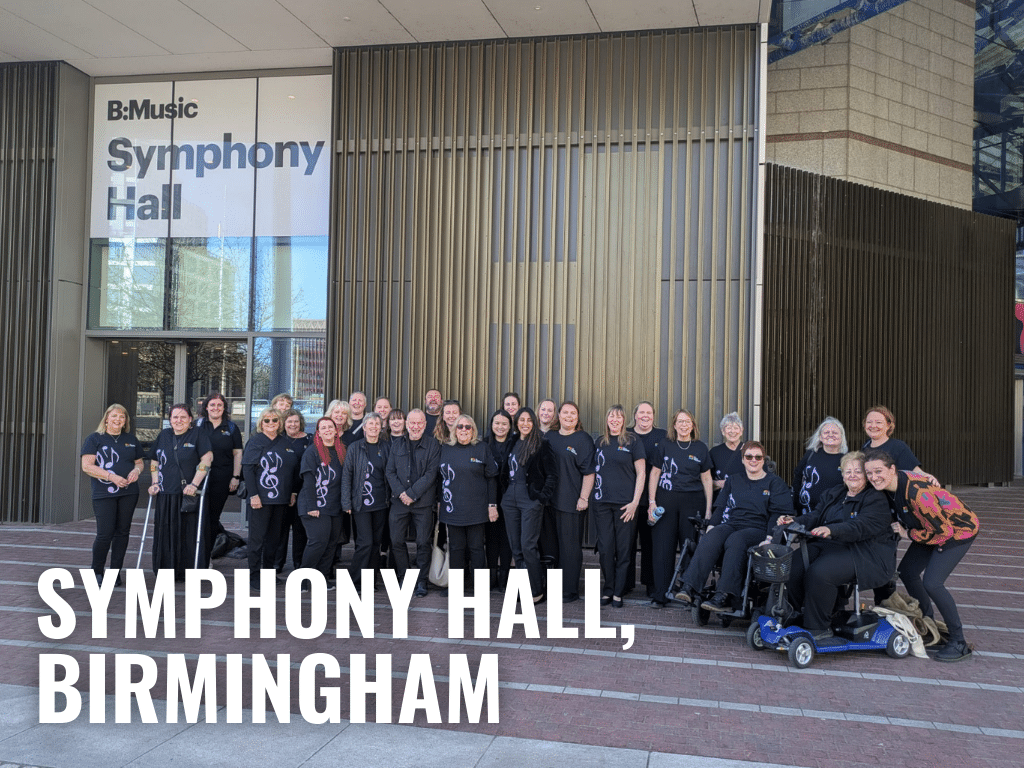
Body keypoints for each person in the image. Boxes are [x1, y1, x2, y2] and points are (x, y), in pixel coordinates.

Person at [864, 449, 980, 662]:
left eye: (878, 471)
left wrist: (908, 533)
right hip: (929, 528)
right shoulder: (888, 486)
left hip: (957, 530)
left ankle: (958, 641)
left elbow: (943, 532)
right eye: (869, 473)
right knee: (908, 572)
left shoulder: (916, 494)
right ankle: (929, 624)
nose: (873, 477)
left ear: (892, 469)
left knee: (933, 583)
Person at [776, 451, 897, 639]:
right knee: (794, 565)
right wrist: (793, 521)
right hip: (828, 544)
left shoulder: (875, 498)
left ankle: (818, 628)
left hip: (862, 551)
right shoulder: (835, 493)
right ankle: (796, 614)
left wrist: (832, 530)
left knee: (820, 573)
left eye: (858, 471)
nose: (853, 475)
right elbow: (815, 516)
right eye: (848, 471)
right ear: (842, 475)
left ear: (866, 474)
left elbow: (860, 526)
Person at [676, 440, 791, 612]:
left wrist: (769, 537)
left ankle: (724, 595)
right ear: (743, 459)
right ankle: (689, 587)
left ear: (763, 460)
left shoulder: (774, 483)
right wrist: (712, 526)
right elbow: (721, 506)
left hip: (758, 527)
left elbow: (777, 514)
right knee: (713, 536)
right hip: (733, 523)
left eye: (758, 457)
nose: (753, 460)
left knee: (736, 540)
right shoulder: (734, 480)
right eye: (749, 456)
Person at [646, 409, 712, 608]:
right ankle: (661, 595)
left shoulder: (701, 448)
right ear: (674, 425)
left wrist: (708, 509)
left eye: (687, 421)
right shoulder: (665, 445)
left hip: (693, 503)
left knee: (689, 547)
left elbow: (707, 479)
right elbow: (655, 474)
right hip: (665, 501)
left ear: (693, 425)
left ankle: (688, 592)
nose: (684, 425)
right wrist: (651, 501)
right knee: (662, 548)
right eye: (680, 421)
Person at [147, 404, 213, 580]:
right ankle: (165, 570)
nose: (179, 421)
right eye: (175, 417)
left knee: (188, 533)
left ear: (190, 419)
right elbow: (154, 461)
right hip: (165, 493)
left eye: (183, 417)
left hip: (187, 494)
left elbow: (206, 460)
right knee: (165, 532)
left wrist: (194, 484)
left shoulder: (198, 434)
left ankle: (187, 572)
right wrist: (154, 483)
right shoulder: (164, 435)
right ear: (170, 420)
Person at [81, 404, 145, 583]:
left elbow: (139, 462)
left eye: (122, 417)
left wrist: (136, 471)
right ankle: (96, 571)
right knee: (105, 533)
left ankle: (115, 572)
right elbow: (87, 466)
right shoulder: (94, 439)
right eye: (115, 416)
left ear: (126, 421)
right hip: (104, 493)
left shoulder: (131, 439)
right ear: (107, 418)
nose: (118, 419)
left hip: (129, 492)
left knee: (123, 532)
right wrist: (112, 477)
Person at [592, 405, 646, 608]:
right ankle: (608, 589)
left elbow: (641, 473)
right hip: (602, 504)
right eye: (611, 416)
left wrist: (635, 503)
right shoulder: (600, 442)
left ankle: (618, 592)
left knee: (623, 550)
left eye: (619, 417)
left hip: (626, 505)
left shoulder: (632, 441)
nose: (614, 420)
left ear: (624, 420)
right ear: (607, 420)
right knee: (606, 549)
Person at [242, 407, 301, 590]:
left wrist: (292, 492)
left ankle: (268, 573)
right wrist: (253, 495)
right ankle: (253, 575)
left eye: (275, 420)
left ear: (280, 423)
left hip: (281, 499)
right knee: (257, 539)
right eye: (267, 420)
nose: (271, 423)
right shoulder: (255, 441)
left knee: (274, 539)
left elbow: (293, 470)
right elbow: (248, 470)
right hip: (261, 499)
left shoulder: (285, 442)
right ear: (261, 423)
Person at [503, 407, 557, 603]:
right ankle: (522, 588)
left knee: (528, 545)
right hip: (510, 499)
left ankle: (537, 590)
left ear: (533, 423)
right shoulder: (513, 441)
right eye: (521, 420)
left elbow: (552, 475)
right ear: (516, 422)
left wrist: (541, 498)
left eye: (528, 420)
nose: (525, 423)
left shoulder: (542, 444)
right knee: (515, 547)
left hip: (530, 499)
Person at [386, 408, 442, 597]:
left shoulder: (433, 445)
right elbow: (390, 472)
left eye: (419, 423)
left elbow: (431, 474)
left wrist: (412, 493)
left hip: (423, 503)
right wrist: (402, 493)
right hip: (399, 502)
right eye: (412, 423)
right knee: (396, 541)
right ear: (406, 424)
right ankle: (404, 577)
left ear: (425, 425)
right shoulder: (396, 445)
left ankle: (421, 581)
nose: (415, 426)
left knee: (423, 542)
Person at [544, 401, 595, 602]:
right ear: (559, 415)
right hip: (549, 503)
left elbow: (589, 472)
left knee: (570, 549)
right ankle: (554, 588)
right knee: (553, 547)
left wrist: (584, 497)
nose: (568, 416)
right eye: (565, 412)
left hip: (572, 503)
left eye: (573, 413)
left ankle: (569, 591)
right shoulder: (550, 437)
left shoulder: (583, 439)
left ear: (577, 417)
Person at [439, 415, 499, 579]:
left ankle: (479, 586)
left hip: (477, 510)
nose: (464, 430)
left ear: (473, 430)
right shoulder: (445, 449)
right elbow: (439, 478)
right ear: (454, 430)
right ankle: (457, 587)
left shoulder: (482, 448)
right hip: (452, 509)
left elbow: (491, 478)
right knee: (456, 548)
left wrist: (492, 505)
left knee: (477, 548)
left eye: (468, 427)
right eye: (460, 426)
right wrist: (439, 503)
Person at [342, 412, 391, 588]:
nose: (373, 427)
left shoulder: (386, 447)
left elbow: (389, 474)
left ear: (381, 427)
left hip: (381, 503)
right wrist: (346, 501)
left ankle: (370, 581)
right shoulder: (355, 448)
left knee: (376, 543)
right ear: (364, 427)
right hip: (360, 503)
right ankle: (355, 581)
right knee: (365, 543)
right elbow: (347, 475)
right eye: (370, 424)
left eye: (377, 424)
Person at [195, 393, 243, 566]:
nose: (216, 408)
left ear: (224, 408)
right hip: (198, 478)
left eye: (219, 405)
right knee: (198, 517)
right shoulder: (197, 425)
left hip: (221, 479)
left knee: (212, 519)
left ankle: (206, 557)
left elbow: (237, 453)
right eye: (212, 405)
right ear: (206, 407)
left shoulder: (231, 427)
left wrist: (236, 477)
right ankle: (194, 555)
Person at [297, 417, 346, 584]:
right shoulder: (312, 452)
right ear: (318, 432)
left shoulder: (341, 451)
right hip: (315, 506)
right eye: (323, 427)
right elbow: (308, 480)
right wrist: (312, 505)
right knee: (318, 542)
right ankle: (303, 580)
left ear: (336, 430)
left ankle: (322, 578)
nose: (327, 430)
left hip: (334, 506)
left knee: (331, 543)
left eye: (330, 427)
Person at [627, 401, 666, 598]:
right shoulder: (625, 435)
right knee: (627, 543)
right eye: (641, 412)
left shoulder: (663, 436)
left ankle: (651, 584)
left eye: (649, 412)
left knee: (651, 544)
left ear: (653, 416)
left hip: (653, 500)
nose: (645, 416)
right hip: (628, 499)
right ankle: (625, 583)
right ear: (635, 415)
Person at [275, 408, 312, 573]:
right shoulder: (278, 440)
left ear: (301, 423)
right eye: (289, 421)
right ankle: (277, 563)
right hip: (281, 491)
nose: (293, 424)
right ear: (284, 423)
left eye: (296, 421)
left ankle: (299, 563)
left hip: (303, 491)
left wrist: (296, 492)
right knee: (280, 530)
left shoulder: (309, 440)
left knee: (300, 531)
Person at [862, 405, 938, 484]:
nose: (873, 426)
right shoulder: (865, 446)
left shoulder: (898, 446)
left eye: (878, 422)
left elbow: (915, 471)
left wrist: (927, 477)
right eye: (869, 422)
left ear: (888, 425)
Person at [483, 409, 515, 590]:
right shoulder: (484, 444)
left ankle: (504, 577)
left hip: (510, 499)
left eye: (504, 424)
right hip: (489, 498)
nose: (500, 427)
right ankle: (491, 577)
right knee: (491, 537)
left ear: (510, 426)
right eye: (497, 423)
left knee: (507, 538)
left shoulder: (515, 443)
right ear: (491, 425)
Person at [792, 416, 847, 517]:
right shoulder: (810, 455)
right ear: (820, 437)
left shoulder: (847, 460)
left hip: (832, 515)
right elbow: (797, 479)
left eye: (835, 433)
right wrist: (794, 506)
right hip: (806, 512)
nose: (830, 435)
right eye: (826, 433)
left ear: (841, 437)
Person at [709, 413, 744, 497]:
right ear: (723, 431)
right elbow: (705, 480)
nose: (732, 431)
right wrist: (718, 483)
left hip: (744, 502)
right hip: (720, 503)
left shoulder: (750, 452)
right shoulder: (714, 452)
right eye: (728, 428)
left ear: (741, 431)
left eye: (736, 428)